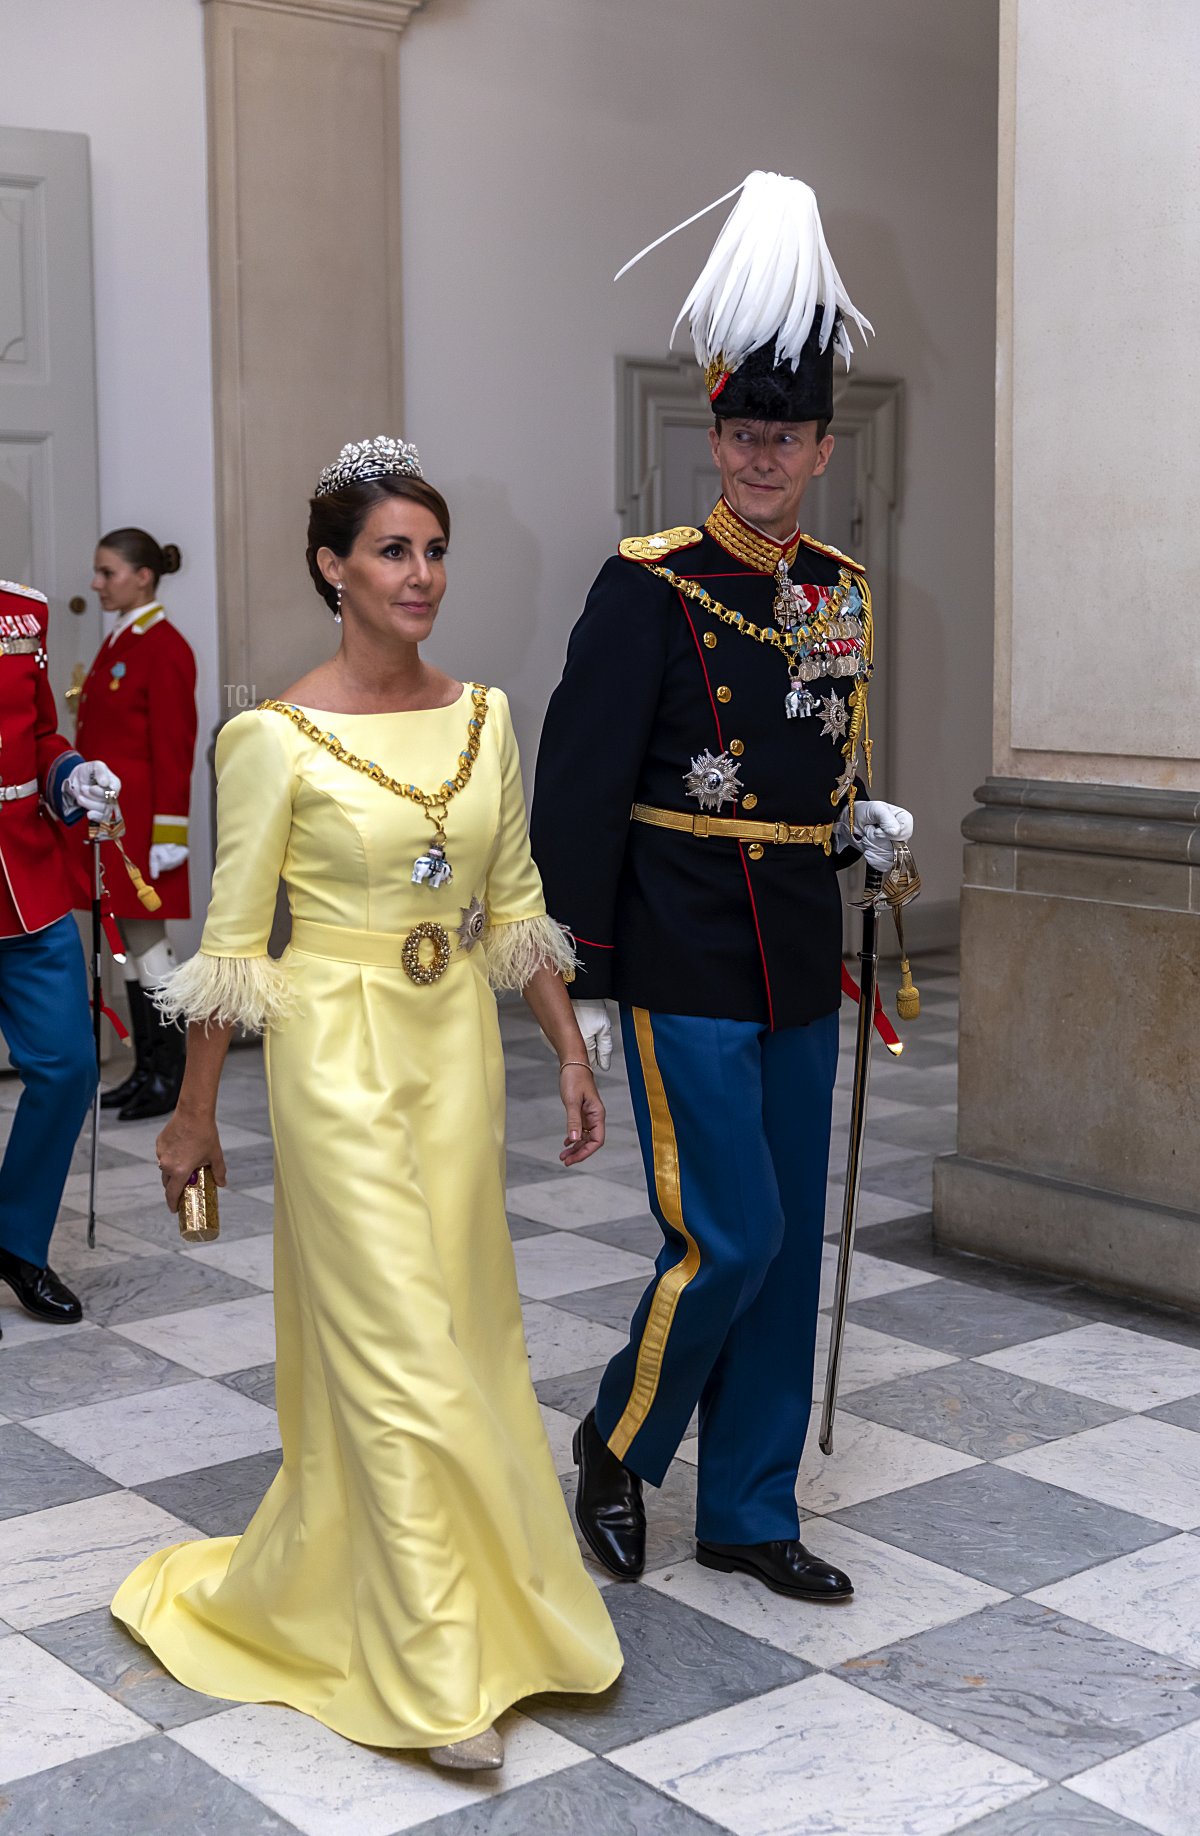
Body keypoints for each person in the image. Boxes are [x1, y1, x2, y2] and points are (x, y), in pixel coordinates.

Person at [111, 438, 621, 1772]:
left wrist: (568, 1050)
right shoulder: (272, 738)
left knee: (462, 1333)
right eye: (393, 550)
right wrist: (194, 1115)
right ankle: (436, 1669)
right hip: (333, 1058)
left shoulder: (486, 718)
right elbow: (232, 951)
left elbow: (512, 907)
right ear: (332, 566)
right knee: (395, 1349)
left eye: (435, 549)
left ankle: (454, 1600)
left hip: (452, 1053)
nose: (422, 575)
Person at [530, 172, 915, 1601]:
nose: (762, 458)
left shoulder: (843, 589)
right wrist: (576, 953)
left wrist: (860, 822)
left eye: (789, 437)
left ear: (824, 445)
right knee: (727, 1232)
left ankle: (751, 1508)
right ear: (715, 433)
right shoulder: (649, 581)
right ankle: (620, 1444)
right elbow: (576, 779)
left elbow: (825, 750)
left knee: (787, 1242)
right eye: (743, 432)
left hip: (798, 940)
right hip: (682, 936)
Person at [0, 578, 122, 1335]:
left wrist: (69, 773)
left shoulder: (23, 611)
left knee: (69, 1065)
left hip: (27, 881)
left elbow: (39, 732)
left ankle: (16, 1240)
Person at [72, 528, 198, 1119]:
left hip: (144, 830)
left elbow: (174, 746)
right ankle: (147, 1068)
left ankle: (170, 1075)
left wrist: (171, 831)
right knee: (128, 947)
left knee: (152, 951)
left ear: (142, 576)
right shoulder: (122, 639)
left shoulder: (164, 646)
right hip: (115, 826)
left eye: (107, 573)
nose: (97, 584)